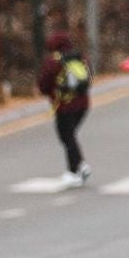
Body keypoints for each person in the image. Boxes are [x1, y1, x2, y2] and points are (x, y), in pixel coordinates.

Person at [36, 30, 92, 188]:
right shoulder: (81, 58)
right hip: (83, 105)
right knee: (70, 137)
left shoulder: (53, 61)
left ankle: (75, 171)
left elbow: (44, 84)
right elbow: (89, 79)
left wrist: (50, 93)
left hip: (64, 106)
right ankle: (80, 166)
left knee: (66, 137)